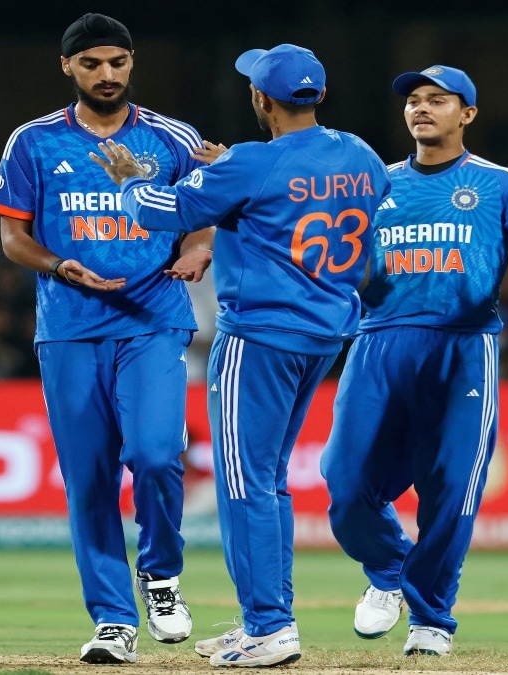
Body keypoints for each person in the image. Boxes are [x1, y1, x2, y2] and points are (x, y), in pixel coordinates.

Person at [93, 43, 390, 668]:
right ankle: (269, 618)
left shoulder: (251, 162)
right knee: (268, 481)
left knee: (244, 483)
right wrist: (234, 175)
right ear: (319, 95)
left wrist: (131, 180)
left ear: (260, 98)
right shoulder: (359, 153)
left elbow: (161, 212)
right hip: (324, 334)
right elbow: (304, 195)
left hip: (258, 336)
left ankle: (270, 627)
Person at [320, 65, 508, 658]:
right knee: (344, 484)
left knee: (451, 490)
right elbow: (332, 254)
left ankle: (431, 619)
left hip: (463, 347)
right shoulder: (374, 183)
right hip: (378, 343)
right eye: (414, 100)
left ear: (468, 114)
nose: (421, 108)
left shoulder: (498, 183)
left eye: (437, 100)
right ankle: (390, 570)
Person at [0, 13, 212, 665]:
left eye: (117, 62)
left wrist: (197, 249)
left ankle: (160, 577)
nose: (106, 74)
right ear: (68, 67)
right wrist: (59, 264)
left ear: (132, 62)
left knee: (157, 453)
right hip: (70, 327)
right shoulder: (33, 141)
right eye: (91, 64)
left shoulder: (172, 137)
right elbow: (13, 237)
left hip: (153, 318)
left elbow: (204, 214)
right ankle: (114, 620)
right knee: (89, 479)